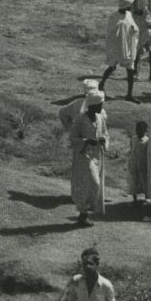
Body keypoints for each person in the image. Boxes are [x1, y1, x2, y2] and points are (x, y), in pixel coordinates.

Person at [60, 84, 108, 226]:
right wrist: (86, 141)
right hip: (84, 156)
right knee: (92, 182)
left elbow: (105, 133)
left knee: (94, 184)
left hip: (97, 156)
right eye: (100, 104)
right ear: (93, 105)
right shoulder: (81, 119)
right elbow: (73, 137)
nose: (101, 107)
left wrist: (103, 140)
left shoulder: (100, 118)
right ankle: (83, 210)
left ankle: (83, 215)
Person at [100, 0, 140, 101]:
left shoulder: (129, 15)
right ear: (127, 6)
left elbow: (134, 27)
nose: (132, 7)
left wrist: (133, 30)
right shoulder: (114, 17)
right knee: (112, 67)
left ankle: (129, 95)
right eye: (130, 5)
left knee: (130, 70)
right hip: (117, 47)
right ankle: (101, 84)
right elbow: (110, 34)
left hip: (128, 47)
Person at [128, 120, 151, 211]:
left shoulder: (147, 141)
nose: (138, 132)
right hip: (134, 163)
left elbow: (148, 153)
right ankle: (134, 199)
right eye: (137, 130)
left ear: (145, 131)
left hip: (142, 164)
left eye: (141, 130)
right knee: (134, 181)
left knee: (143, 181)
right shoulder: (133, 138)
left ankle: (146, 198)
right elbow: (131, 149)